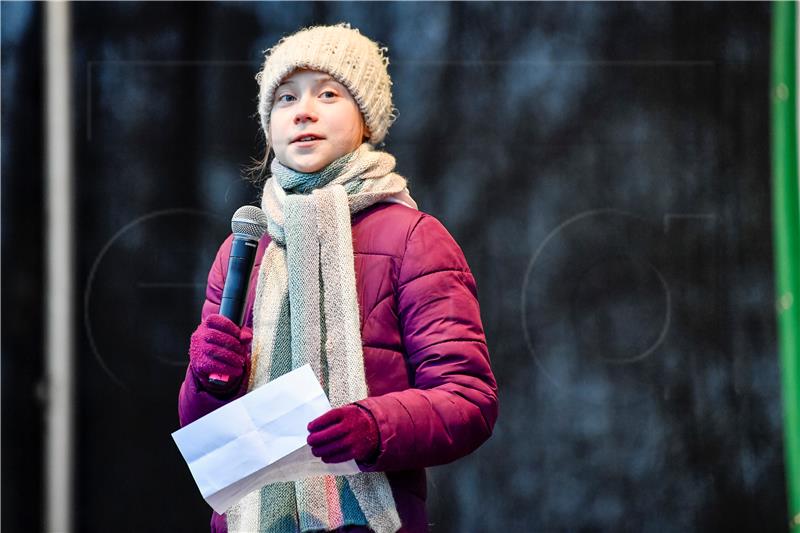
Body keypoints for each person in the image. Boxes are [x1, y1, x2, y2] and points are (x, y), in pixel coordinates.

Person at [177, 23, 498, 533]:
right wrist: (207, 380)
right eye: (285, 97)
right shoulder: (241, 248)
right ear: (268, 125)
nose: (303, 110)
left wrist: (374, 428)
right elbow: (205, 433)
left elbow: (468, 398)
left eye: (328, 93)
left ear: (365, 119)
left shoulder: (414, 238)